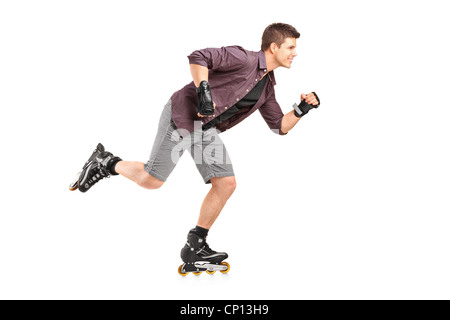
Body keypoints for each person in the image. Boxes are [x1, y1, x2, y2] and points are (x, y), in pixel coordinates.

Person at [70, 22, 320, 275]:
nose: (294, 53)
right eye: (290, 47)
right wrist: (204, 90)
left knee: (226, 183)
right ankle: (106, 162)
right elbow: (199, 56)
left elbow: (279, 126)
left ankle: (195, 246)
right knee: (151, 180)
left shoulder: (266, 88)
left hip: (205, 128)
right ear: (274, 46)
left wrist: (302, 109)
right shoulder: (243, 58)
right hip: (183, 115)